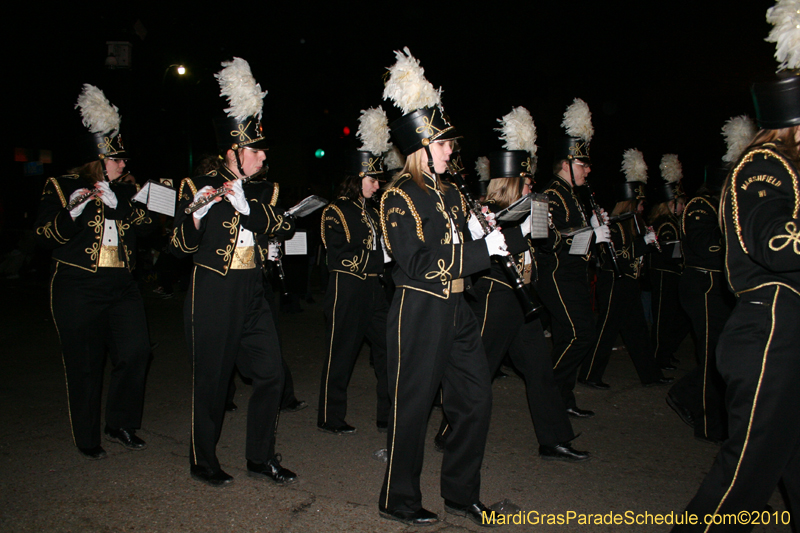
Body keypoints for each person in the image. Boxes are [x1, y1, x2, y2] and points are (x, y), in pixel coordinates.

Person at [378, 48, 507, 527]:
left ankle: (460, 493)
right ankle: (397, 497)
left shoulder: (452, 191)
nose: (453, 150)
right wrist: (481, 250)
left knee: (475, 400)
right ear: (423, 145)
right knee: (412, 408)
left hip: (458, 309)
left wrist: (482, 232)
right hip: (419, 310)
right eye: (445, 143)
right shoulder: (398, 196)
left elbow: (456, 242)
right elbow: (415, 263)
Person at [672, 73, 800, 532]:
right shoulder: (766, 163)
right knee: (742, 481)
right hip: (771, 328)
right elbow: (774, 243)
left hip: (785, 327)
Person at [169, 58, 296, 487]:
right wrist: (199, 215)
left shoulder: (267, 190)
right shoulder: (196, 186)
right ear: (232, 151)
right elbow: (178, 246)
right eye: (255, 150)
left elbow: (284, 224)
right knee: (212, 380)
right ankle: (202, 459)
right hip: (213, 292)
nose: (263, 155)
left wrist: (248, 208)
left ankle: (259, 458)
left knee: (271, 374)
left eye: (262, 149)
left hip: (253, 291)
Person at [439, 107, 589, 463]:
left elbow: (542, 248)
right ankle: (450, 431)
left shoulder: (527, 206)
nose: (531, 185)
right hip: (496, 297)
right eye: (526, 181)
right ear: (511, 182)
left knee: (540, 372)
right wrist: (521, 233)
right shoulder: (486, 207)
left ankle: (553, 439)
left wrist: (542, 228)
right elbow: (488, 247)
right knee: (480, 370)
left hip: (524, 298)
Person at [34, 84, 154, 459]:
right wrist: (75, 211)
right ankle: (87, 438)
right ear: (98, 159)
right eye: (117, 160)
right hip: (77, 285)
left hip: (121, 284)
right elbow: (43, 235)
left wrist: (124, 203)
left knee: (136, 352)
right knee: (85, 365)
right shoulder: (63, 185)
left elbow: (149, 227)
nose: (124, 165)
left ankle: (119, 422)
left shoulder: (127, 190)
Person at [318, 107, 391, 435]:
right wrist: (383, 259)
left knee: (389, 350)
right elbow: (340, 257)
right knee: (341, 357)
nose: (377, 186)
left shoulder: (373, 212)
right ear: (357, 178)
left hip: (375, 292)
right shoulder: (335, 211)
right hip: (347, 293)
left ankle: (387, 414)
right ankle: (329, 417)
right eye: (373, 180)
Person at [535, 98, 610, 419]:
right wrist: (589, 233)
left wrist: (596, 232)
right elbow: (545, 239)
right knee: (582, 335)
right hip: (556, 275)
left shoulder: (573, 196)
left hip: (574, 274)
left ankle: (562, 398)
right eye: (582, 164)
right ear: (566, 164)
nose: (588, 169)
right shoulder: (550, 193)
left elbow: (576, 240)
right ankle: (547, 391)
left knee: (569, 336)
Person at [579, 149, 672, 388]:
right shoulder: (617, 224)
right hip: (614, 283)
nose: (642, 208)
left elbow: (638, 253)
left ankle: (650, 375)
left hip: (630, 283)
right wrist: (643, 244)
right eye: (639, 204)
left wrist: (651, 244)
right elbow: (613, 256)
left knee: (638, 332)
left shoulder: (634, 225)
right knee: (606, 330)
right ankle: (589, 374)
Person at [648, 154, 691, 371]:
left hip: (671, 273)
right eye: (680, 204)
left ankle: (665, 352)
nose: (683, 208)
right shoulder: (665, 223)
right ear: (671, 204)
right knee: (663, 317)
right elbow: (663, 250)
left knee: (672, 316)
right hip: (664, 272)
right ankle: (658, 355)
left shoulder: (671, 222)